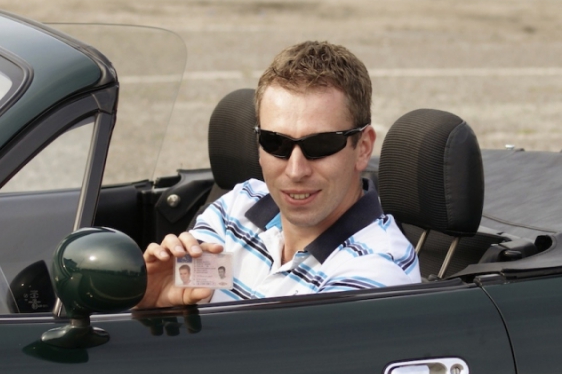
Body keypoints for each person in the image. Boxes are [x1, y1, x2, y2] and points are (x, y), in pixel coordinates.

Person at [138, 41, 420, 307]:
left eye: (320, 145)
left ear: (363, 148)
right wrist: (150, 304)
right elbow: (190, 291)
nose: (296, 171)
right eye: (276, 142)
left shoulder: (374, 275)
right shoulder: (236, 210)